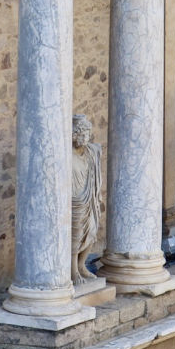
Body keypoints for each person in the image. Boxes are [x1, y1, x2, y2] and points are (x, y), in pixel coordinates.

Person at [70, 113, 104, 284]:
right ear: (73, 135)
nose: (84, 138)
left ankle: (82, 265)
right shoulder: (68, 155)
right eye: (80, 134)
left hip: (89, 197)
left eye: (87, 134)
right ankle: (73, 270)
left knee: (91, 231)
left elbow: (98, 150)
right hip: (75, 200)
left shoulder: (91, 152)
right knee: (75, 236)